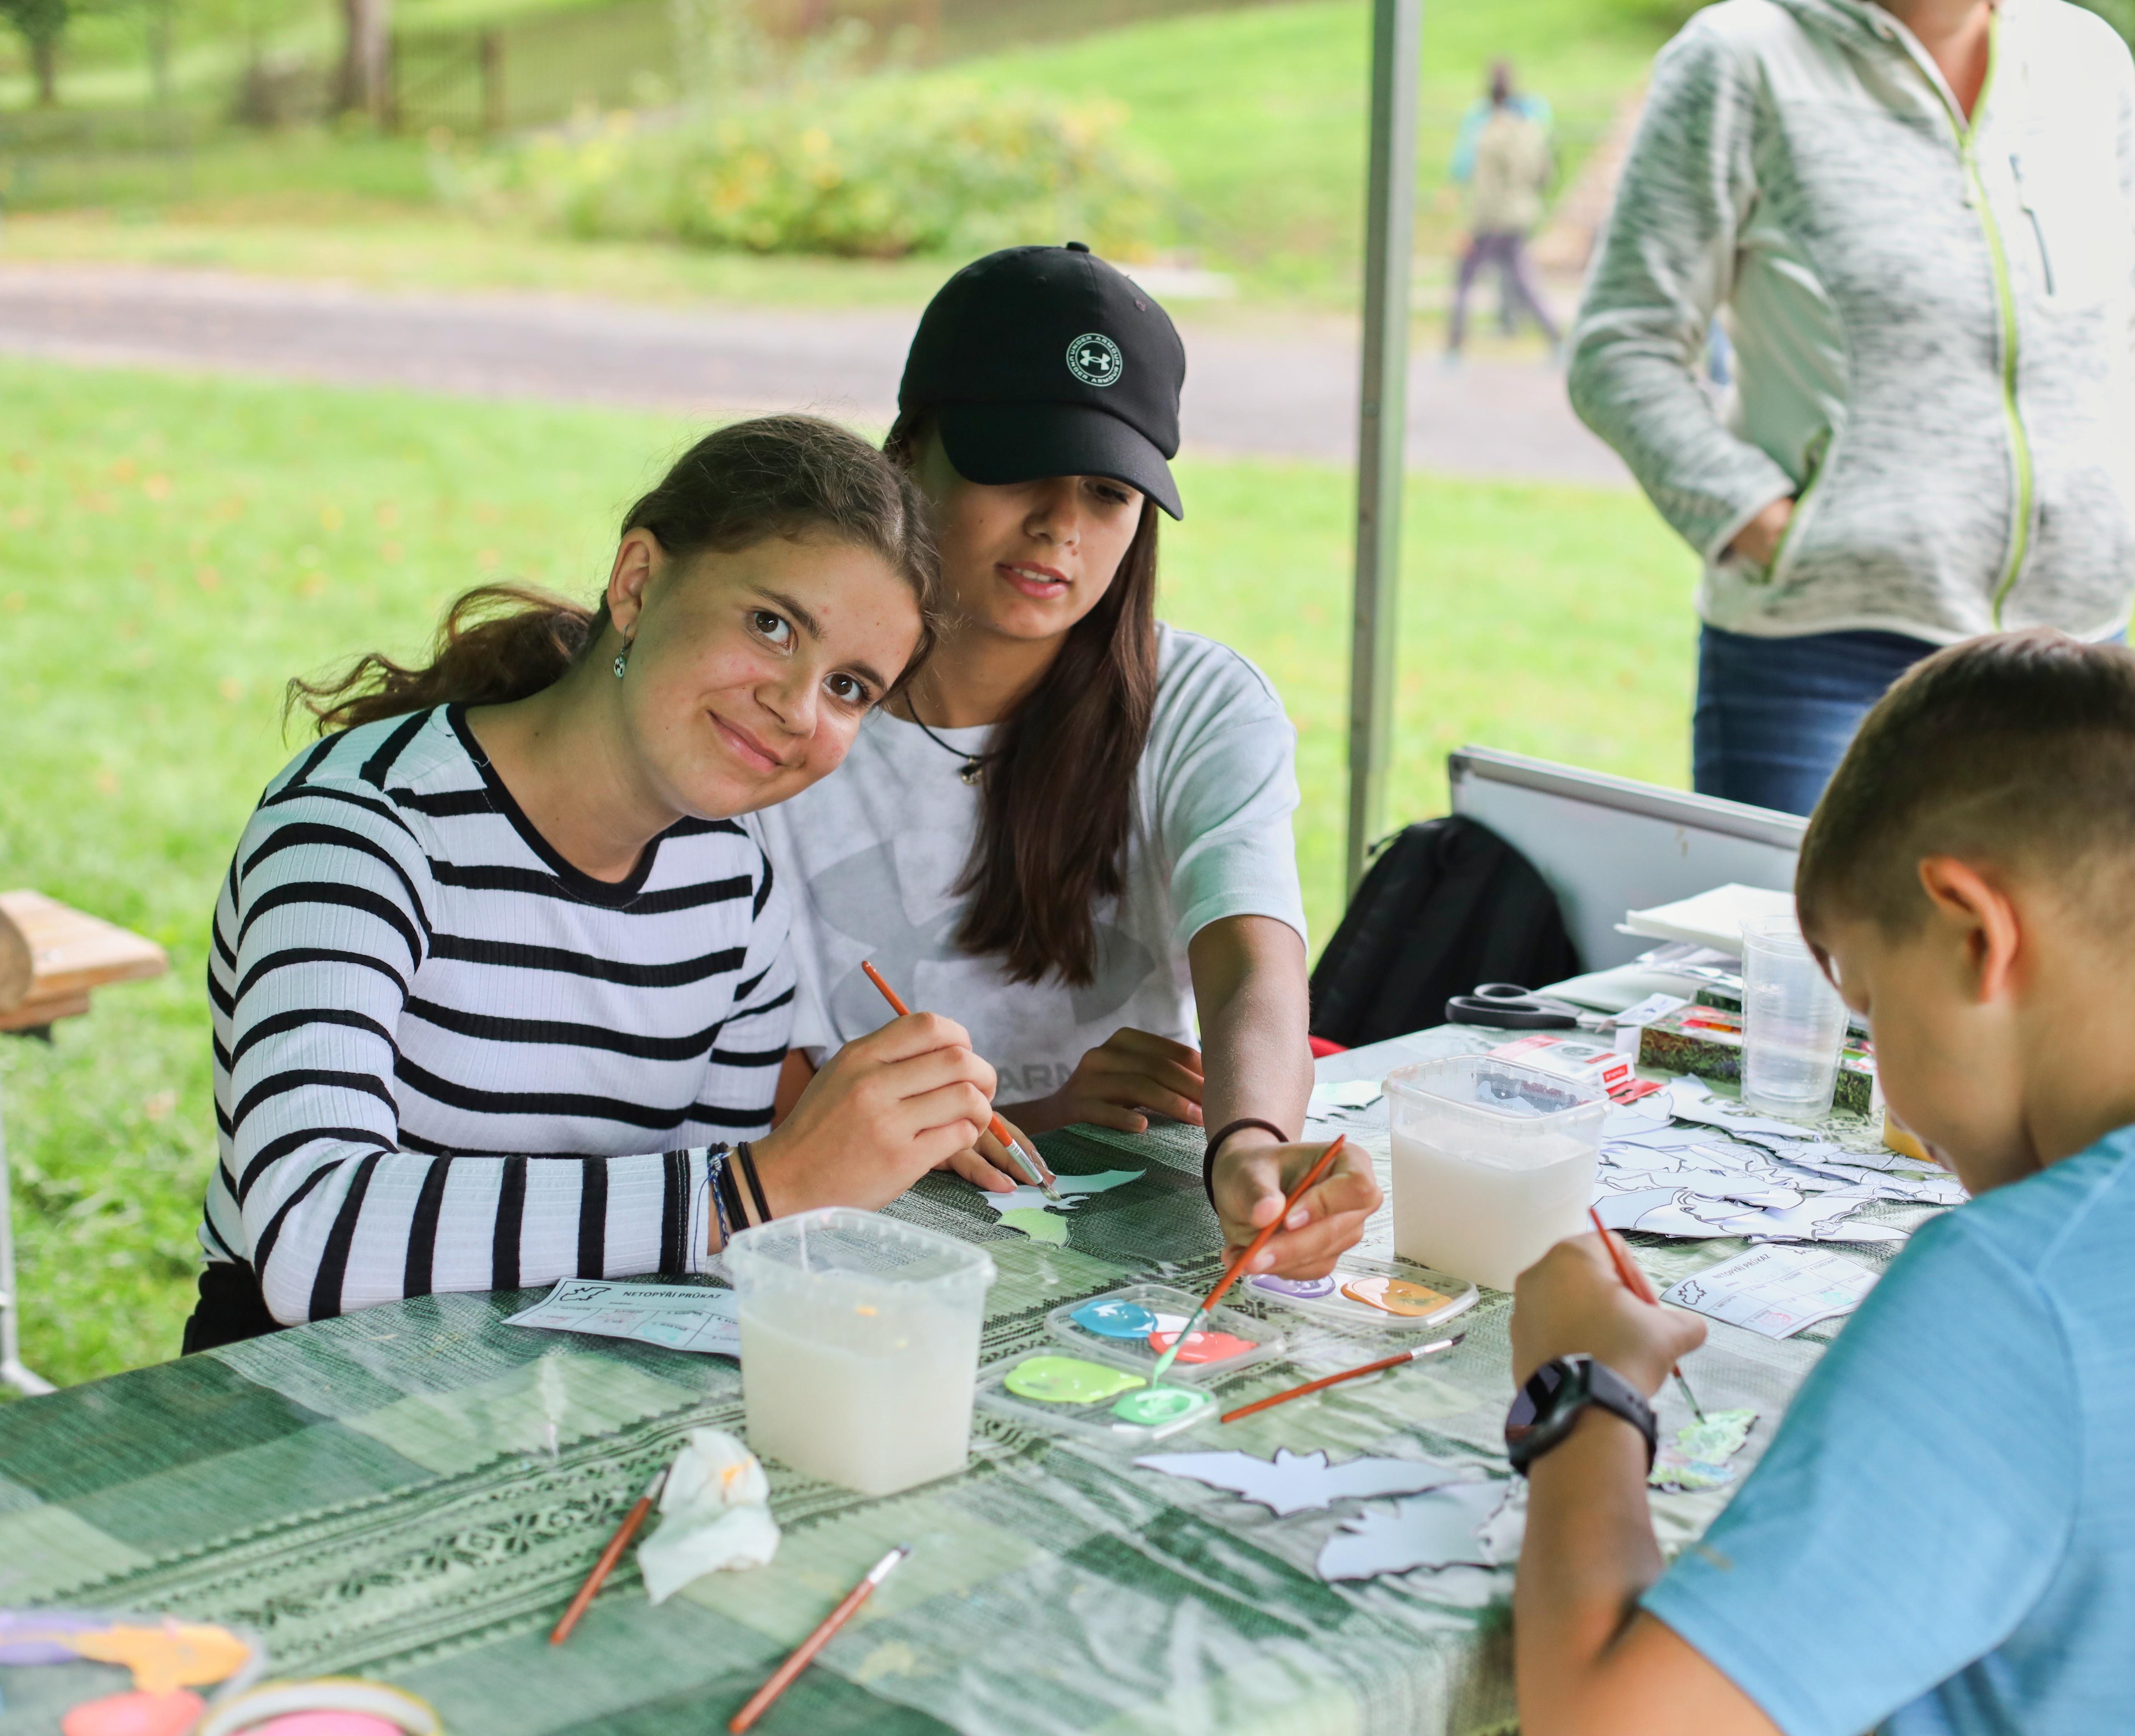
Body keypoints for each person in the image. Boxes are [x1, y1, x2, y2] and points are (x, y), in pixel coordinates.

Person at [1500, 633, 2135, 1734]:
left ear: (1974, 932)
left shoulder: (2024, 1286)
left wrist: (1586, 1391)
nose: (1893, 1091)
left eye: (1871, 1011)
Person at [189, 416, 1011, 1350]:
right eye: (771, 625)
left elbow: (704, 1254)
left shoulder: (734, 884)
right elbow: (313, 1236)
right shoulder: (362, 827)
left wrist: (794, 1187)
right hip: (293, 1389)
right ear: (638, 582)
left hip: (552, 1375)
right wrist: (758, 1185)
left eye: (851, 688)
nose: (795, 707)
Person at [760, 243, 1379, 1279]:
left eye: (1108, 491)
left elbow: (1250, 961)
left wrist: (1251, 1146)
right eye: (1018, 466)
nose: (1060, 527)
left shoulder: (1202, 704)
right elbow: (737, 1062)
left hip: (1110, 1243)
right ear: (908, 453)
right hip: (834, 1247)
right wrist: (1028, 1118)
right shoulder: (780, 709)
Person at [1569, 0, 2135, 817]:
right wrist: (1760, 520)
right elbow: (1621, 346)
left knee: (2056, 949)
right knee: (1807, 950)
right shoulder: (1743, 60)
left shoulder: (2090, 59)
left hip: (2074, 651)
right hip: (1823, 658)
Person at [1447, 61, 1561, 358]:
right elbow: (1544, 174)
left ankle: (1453, 348)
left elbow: (1482, 183)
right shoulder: (1531, 126)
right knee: (1525, 282)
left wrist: (1469, 225)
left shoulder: (1488, 131)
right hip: (1521, 215)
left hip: (1491, 220)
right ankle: (1556, 340)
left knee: (1463, 282)